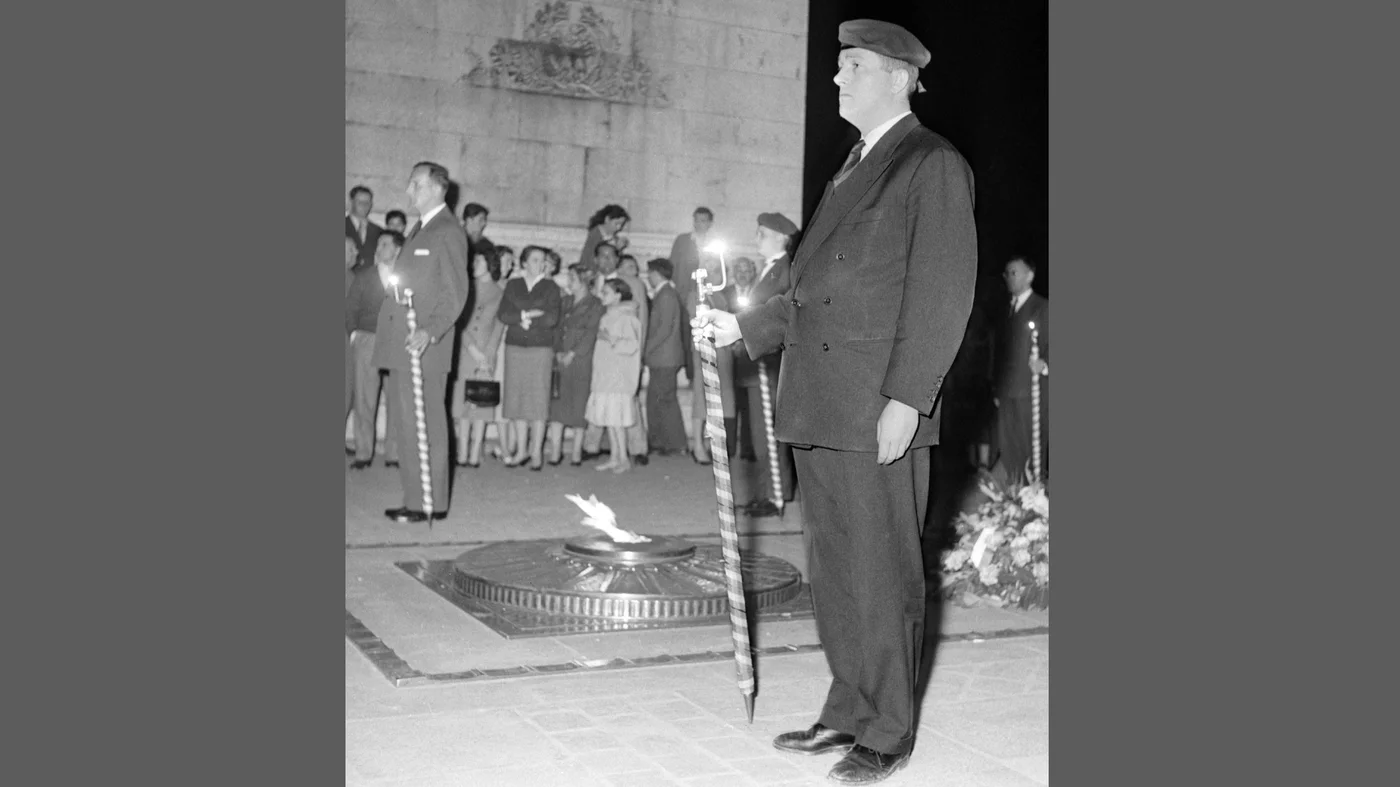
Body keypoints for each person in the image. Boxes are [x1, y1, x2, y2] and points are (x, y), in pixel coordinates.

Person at [692, 20, 976, 784]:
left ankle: (889, 728)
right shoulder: (851, 167)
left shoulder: (931, 164)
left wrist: (907, 400)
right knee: (836, 569)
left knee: (882, 571)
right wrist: (738, 325)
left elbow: (941, 294)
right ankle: (848, 706)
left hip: (874, 405)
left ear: (894, 75)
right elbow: (806, 289)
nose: (836, 79)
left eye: (850, 66)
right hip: (819, 405)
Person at [374, 162, 471, 524]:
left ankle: (429, 502)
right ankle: (416, 497)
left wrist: (431, 330)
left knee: (425, 424)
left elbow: (455, 292)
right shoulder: (421, 229)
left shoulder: (447, 230)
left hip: (425, 344)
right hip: (405, 341)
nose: (408, 190)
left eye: (415, 183)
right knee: (408, 425)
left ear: (435, 188)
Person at [731, 213, 799, 517]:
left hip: (770, 362)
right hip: (755, 360)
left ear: (779, 238)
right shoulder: (768, 270)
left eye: (761, 233)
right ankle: (765, 491)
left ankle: (777, 495)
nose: (756, 238)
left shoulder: (786, 271)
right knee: (759, 432)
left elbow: (781, 318)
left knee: (768, 431)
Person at [582, 241, 651, 465]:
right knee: (606, 414)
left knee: (621, 414)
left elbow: (634, 337)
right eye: (601, 256)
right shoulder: (593, 286)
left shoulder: (629, 298)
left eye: (611, 256)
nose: (606, 260)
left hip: (619, 372)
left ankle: (632, 451)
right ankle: (604, 452)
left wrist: (637, 357)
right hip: (603, 369)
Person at [495, 245, 562, 470]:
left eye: (543, 260)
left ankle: (536, 452)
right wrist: (525, 315)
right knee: (517, 399)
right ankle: (521, 450)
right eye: (535, 260)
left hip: (540, 348)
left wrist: (523, 318)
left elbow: (552, 318)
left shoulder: (551, 287)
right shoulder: (513, 285)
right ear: (524, 263)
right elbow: (503, 313)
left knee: (538, 399)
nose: (540, 264)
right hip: (515, 347)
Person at [347, 231, 404, 469]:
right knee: (364, 398)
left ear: (398, 250)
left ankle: (393, 453)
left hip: (397, 342)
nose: (379, 248)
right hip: (368, 340)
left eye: (385, 244)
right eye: (378, 244)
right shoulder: (364, 276)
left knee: (397, 398)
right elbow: (350, 308)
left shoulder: (408, 277)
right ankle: (363, 452)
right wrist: (354, 334)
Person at [993, 255, 1049, 482]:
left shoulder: (1043, 307)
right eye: (1006, 273)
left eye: (1014, 272)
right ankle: (1013, 505)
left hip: (1031, 394)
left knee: (1031, 451)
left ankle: (1035, 505)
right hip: (1006, 394)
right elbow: (997, 353)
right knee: (1009, 450)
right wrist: (996, 388)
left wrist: (1045, 364)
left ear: (1030, 276)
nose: (1008, 278)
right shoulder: (1006, 310)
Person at [451, 248, 508, 467]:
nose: (474, 264)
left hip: (486, 353)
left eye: (479, 260)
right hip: (466, 352)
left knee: (482, 403)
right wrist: (472, 348)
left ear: (490, 264)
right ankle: (462, 452)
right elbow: (460, 321)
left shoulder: (499, 292)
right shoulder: (465, 288)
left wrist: (488, 355)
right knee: (464, 404)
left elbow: (499, 325)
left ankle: (475, 453)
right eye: (473, 260)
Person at [547, 264, 605, 465]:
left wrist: (573, 353)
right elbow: (555, 328)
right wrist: (558, 351)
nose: (568, 281)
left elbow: (591, 332)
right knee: (557, 404)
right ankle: (555, 451)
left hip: (580, 360)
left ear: (583, 280)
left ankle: (576, 452)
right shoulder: (565, 302)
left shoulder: (596, 304)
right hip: (560, 357)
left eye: (572, 277)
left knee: (579, 403)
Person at [685, 252, 738, 464]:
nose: (715, 274)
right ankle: (697, 443)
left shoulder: (721, 295)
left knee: (721, 397)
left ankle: (713, 444)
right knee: (702, 398)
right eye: (712, 270)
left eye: (718, 270)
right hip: (704, 348)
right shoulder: (696, 295)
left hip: (723, 351)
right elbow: (697, 319)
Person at [585, 278, 642, 473]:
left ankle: (624, 458)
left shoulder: (627, 317)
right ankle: (614, 456)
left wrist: (611, 339)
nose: (602, 296)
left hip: (618, 376)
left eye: (606, 292)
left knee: (617, 421)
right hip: (604, 374)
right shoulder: (606, 317)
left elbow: (632, 345)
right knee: (609, 419)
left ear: (618, 296)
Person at [642, 258, 688, 455]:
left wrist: (646, 350)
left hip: (664, 357)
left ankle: (674, 443)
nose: (648, 278)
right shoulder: (665, 293)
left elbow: (663, 330)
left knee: (664, 400)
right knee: (657, 400)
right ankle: (662, 441)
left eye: (649, 273)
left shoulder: (666, 295)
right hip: (662, 357)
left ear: (656, 273)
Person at [669, 206, 715, 309]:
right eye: (696, 220)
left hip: (706, 291)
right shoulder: (682, 240)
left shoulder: (714, 244)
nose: (698, 224)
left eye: (702, 221)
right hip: (684, 290)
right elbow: (672, 264)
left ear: (710, 223)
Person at [579, 204, 630, 270]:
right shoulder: (595, 235)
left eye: (621, 224)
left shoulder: (614, 238)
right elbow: (593, 260)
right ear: (607, 219)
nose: (619, 228)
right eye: (617, 223)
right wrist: (616, 248)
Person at [345, 185, 382, 270]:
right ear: (351, 202)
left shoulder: (378, 230)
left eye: (367, 203)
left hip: (368, 279)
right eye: (360, 202)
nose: (364, 206)